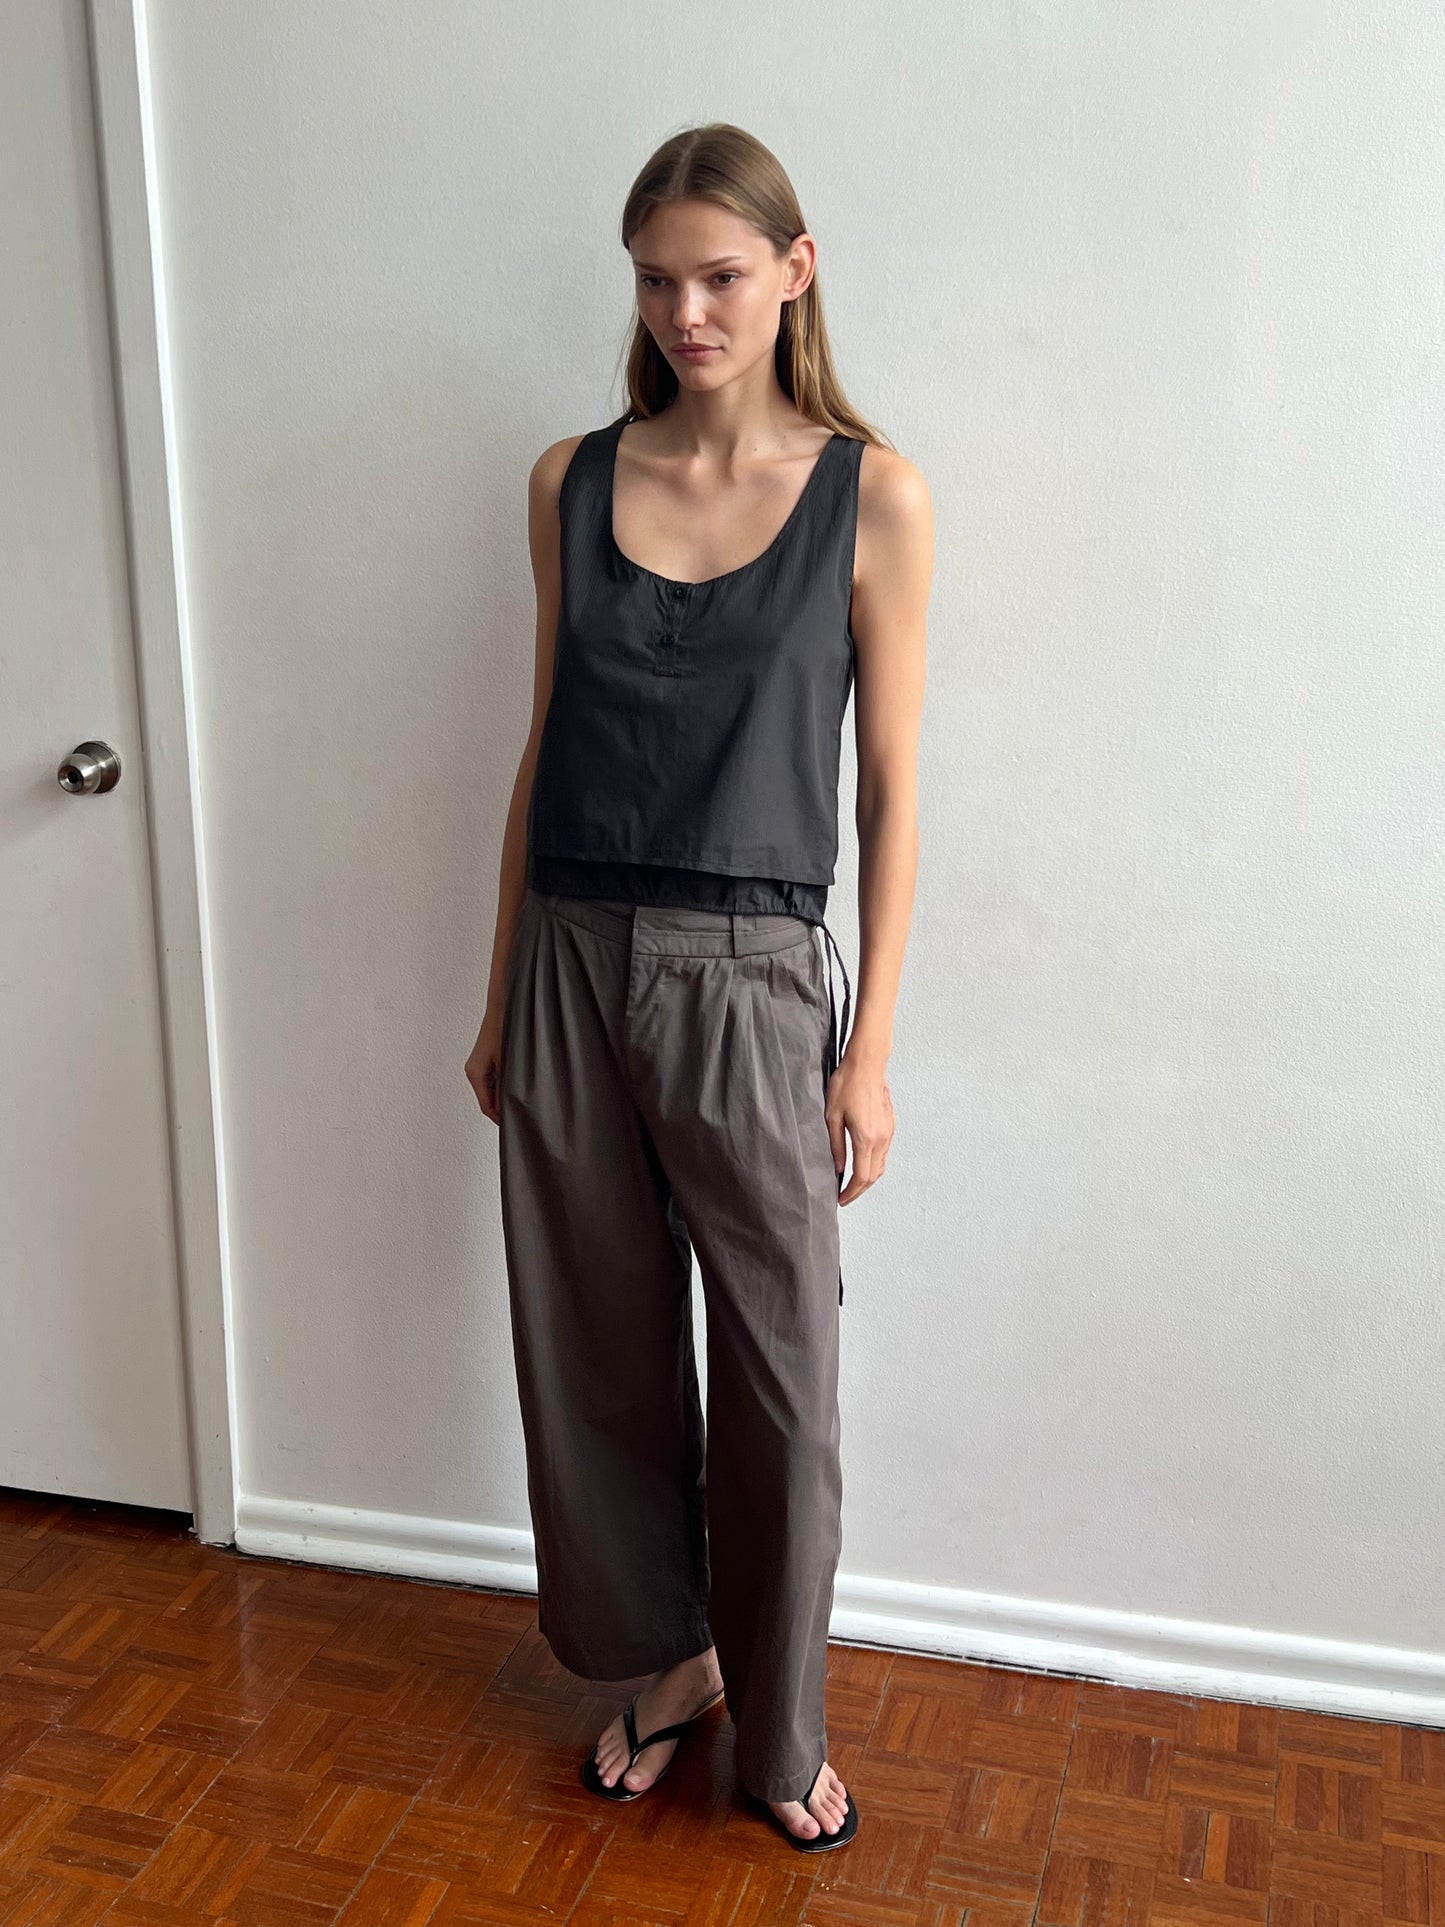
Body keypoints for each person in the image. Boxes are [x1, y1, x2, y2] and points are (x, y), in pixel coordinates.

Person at [466, 121, 931, 1851]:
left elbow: (886, 787)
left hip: (752, 978)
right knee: (590, 1344)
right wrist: (500, 990)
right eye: (657, 280)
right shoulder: (567, 480)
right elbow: (541, 747)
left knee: (780, 1369)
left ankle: (779, 1716)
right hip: (571, 954)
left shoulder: (871, 493)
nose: (685, 312)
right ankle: (661, 1667)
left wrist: (866, 1044)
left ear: (793, 272)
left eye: (720, 276)